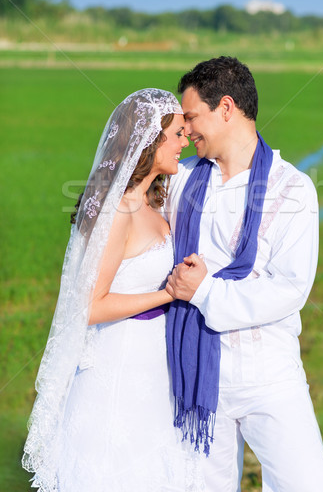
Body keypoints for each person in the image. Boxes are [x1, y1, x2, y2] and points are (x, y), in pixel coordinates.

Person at [165, 57, 323, 492]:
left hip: (269, 374)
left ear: (226, 108)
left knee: (309, 484)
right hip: (196, 375)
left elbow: (289, 288)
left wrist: (205, 291)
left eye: (191, 117)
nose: (185, 130)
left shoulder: (293, 187)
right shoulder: (181, 180)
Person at [22, 89, 204, 492]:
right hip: (120, 362)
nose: (184, 140)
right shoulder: (119, 211)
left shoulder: (154, 205)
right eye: (176, 134)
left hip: (155, 364)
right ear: (149, 142)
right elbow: (91, 305)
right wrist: (168, 294)